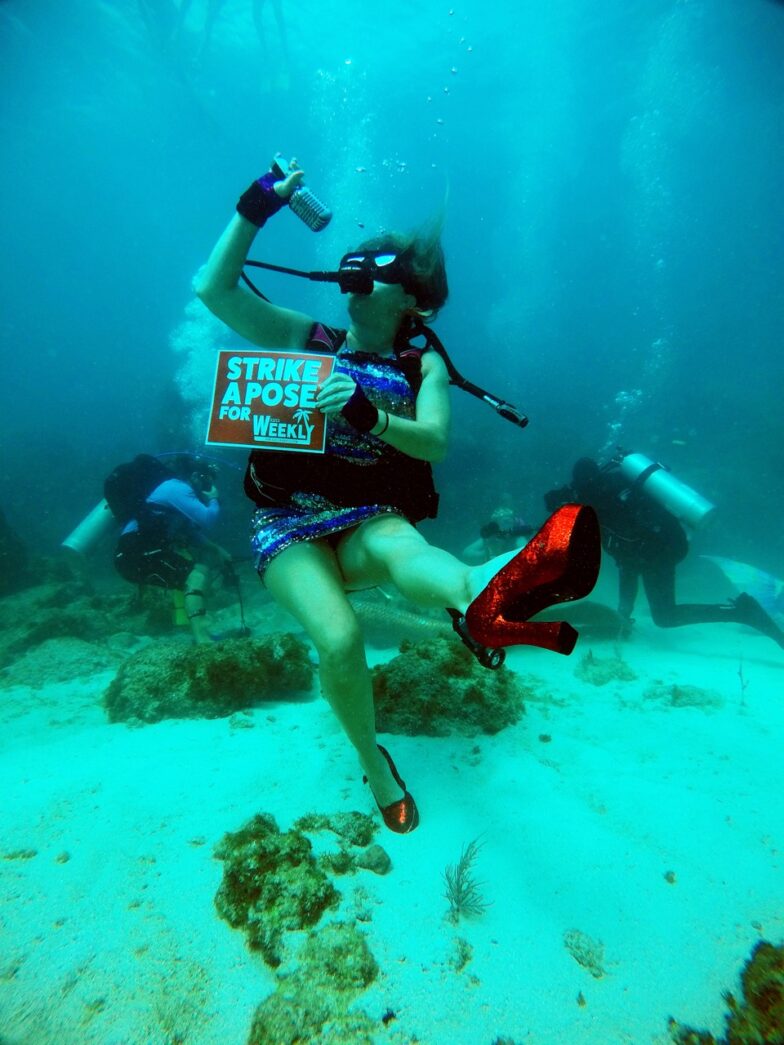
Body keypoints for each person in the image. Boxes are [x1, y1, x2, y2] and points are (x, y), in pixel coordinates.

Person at [195, 159, 602, 833]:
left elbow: (435, 440)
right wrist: (254, 206)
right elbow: (214, 289)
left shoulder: (423, 364)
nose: (353, 274)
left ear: (414, 301)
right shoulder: (309, 336)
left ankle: (483, 594)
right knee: (339, 636)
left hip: (367, 517)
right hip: (286, 520)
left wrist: (369, 415)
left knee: (403, 547)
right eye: (354, 265)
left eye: (372, 268)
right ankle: (372, 761)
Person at [545, 457, 784, 648]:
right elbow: (626, 561)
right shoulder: (614, 489)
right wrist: (623, 613)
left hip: (658, 551)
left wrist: (623, 614)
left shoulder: (601, 504)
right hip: (664, 545)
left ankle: (741, 612)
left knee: (665, 616)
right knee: (662, 611)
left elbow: (626, 561)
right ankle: (742, 612)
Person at [113, 456, 233, 645]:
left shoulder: (173, 495)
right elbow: (207, 519)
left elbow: (191, 533)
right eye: (206, 480)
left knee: (193, 573)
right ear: (194, 476)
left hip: (133, 555)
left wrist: (218, 550)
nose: (207, 485)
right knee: (196, 575)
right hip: (134, 553)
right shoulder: (176, 488)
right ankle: (203, 638)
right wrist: (214, 499)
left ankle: (199, 633)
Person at [462, 500, 535, 564]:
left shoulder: (517, 537)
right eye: (504, 522)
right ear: (496, 524)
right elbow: (466, 553)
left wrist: (503, 558)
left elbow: (526, 552)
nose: (507, 525)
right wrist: (485, 554)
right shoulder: (491, 536)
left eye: (509, 521)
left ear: (513, 522)